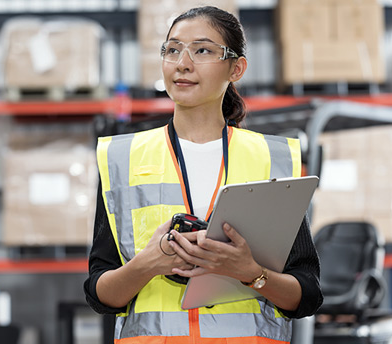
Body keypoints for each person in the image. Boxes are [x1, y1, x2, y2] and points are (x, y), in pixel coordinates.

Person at [83, 6, 323, 344]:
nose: (182, 63)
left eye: (202, 50)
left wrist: (250, 273)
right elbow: (98, 294)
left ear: (236, 68)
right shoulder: (122, 158)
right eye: (172, 49)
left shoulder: (272, 158)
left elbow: (307, 294)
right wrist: (149, 264)